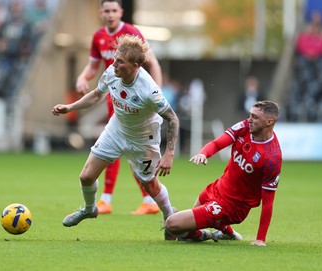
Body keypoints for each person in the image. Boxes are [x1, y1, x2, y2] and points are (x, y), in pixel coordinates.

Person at [52, 34, 179, 240]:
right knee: (86, 176)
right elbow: (96, 95)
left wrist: (169, 153)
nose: (114, 64)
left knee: (150, 185)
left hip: (143, 140)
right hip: (116, 131)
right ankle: (90, 209)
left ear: (135, 65)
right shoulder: (112, 72)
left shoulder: (149, 90)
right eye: (115, 59)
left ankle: (170, 219)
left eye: (120, 61)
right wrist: (70, 107)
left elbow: (173, 119)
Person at [75, 0, 163, 215]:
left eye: (114, 10)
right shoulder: (98, 37)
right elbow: (93, 66)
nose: (111, 14)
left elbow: (153, 62)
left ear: (121, 12)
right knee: (114, 147)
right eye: (107, 11)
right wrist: (82, 77)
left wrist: (159, 96)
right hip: (113, 98)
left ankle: (134, 200)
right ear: (101, 13)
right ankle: (116, 200)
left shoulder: (131, 33)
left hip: (136, 101)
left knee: (124, 148)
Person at [165, 100, 282, 246]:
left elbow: (268, 202)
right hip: (218, 188)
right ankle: (228, 233)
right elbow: (217, 143)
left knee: (172, 224)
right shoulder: (245, 126)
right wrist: (203, 154)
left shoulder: (272, 158)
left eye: (255, 117)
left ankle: (204, 234)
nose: (250, 120)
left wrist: (260, 239)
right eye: (250, 115)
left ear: (269, 121)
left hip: (232, 207)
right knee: (185, 225)